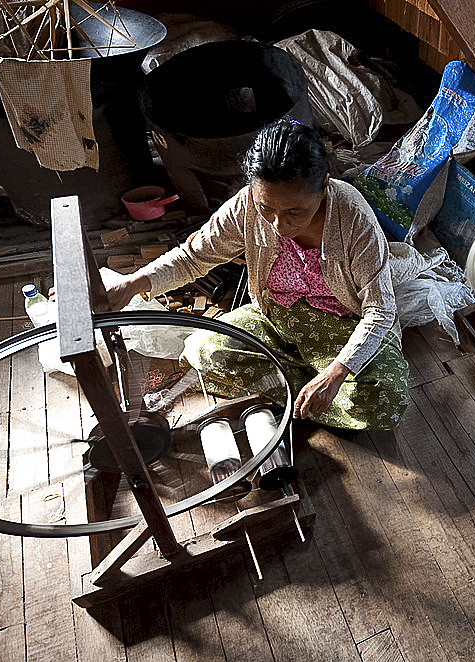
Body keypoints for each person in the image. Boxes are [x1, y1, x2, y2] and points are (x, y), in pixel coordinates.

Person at [106, 120, 409, 430]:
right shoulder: (247, 206)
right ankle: (302, 390)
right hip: (276, 318)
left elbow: (380, 310)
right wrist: (133, 283)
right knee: (202, 351)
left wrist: (336, 373)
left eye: (294, 212)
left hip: (344, 325)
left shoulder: (353, 218)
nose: (278, 223)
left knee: (385, 401)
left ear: (324, 187)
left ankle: (292, 384)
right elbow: (192, 257)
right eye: (267, 208)